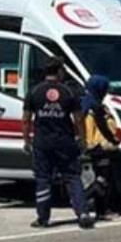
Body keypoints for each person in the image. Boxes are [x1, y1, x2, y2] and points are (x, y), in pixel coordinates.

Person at [23, 57, 94, 229]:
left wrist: (26, 140)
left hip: (42, 142)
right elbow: (78, 119)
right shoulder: (69, 92)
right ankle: (83, 213)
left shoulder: (34, 91)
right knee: (72, 177)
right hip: (65, 142)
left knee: (43, 179)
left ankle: (43, 218)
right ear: (60, 71)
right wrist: (83, 139)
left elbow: (26, 119)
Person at [80, 75, 121, 219]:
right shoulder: (95, 107)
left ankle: (99, 208)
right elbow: (102, 129)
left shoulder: (85, 104)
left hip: (93, 147)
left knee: (101, 179)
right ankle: (84, 201)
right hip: (99, 148)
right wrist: (114, 142)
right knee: (103, 180)